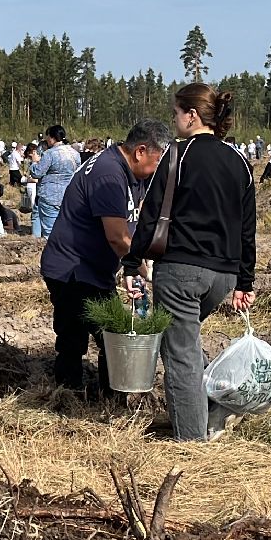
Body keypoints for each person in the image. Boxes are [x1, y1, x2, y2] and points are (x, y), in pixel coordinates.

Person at [123, 85, 258, 439]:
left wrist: (130, 263)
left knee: (179, 354)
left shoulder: (176, 156)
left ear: (192, 115)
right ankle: (209, 411)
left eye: (175, 112)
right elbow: (248, 228)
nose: (174, 119)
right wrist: (245, 282)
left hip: (181, 270)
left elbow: (150, 216)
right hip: (224, 276)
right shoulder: (240, 161)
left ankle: (193, 442)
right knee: (185, 341)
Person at [41, 120, 167, 393]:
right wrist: (141, 270)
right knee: (92, 334)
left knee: (107, 334)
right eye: (157, 160)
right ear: (140, 151)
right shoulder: (109, 174)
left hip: (94, 268)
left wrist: (135, 264)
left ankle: (103, 394)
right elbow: (117, 236)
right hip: (72, 269)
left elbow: (139, 215)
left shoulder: (134, 173)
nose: (158, 168)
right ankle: (70, 399)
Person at [31, 126, 81, 239]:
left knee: (49, 231)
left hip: (50, 195)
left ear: (52, 138)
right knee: (65, 228)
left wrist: (34, 163)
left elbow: (37, 173)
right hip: (68, 195)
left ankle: (51, 253)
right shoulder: (74, 153)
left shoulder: (50, 154)